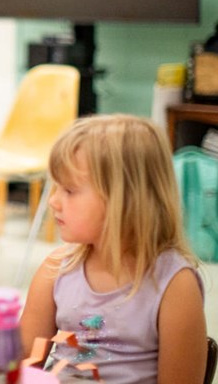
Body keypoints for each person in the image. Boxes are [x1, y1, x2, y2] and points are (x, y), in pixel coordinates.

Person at [20, 114, 207, 384]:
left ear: (125, 199)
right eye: (55, 187)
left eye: (70, 190)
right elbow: (23, 364)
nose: (53, 201)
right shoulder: (56, 269)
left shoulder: (175, 284)